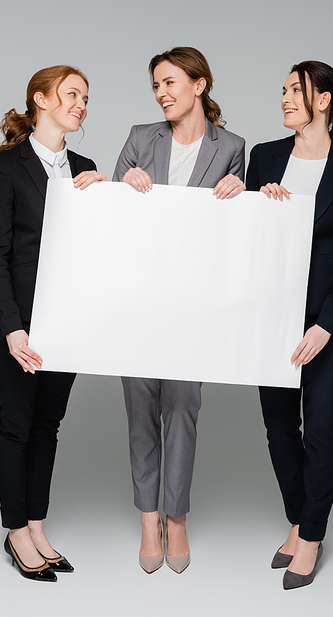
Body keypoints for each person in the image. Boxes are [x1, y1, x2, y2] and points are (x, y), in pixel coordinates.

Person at [113, 46, 246, 573]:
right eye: (156, 86)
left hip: (194, 302)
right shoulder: (140, 138)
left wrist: (243, 190)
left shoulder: (232, 146)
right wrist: (123, 185)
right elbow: (108, 219)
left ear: (200, 84)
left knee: (182, 410)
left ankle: (177, 518)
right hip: (139, 298)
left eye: (170, 82)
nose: (162, 93)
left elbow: (234, 233)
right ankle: (148, 516)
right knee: (140, 408)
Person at [246, 60, 333, 590]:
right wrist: (261, 207)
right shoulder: (265, 157)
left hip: (326, 324)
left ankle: (312, 537)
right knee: (280, 429)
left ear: (322, 100)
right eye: (281, 91)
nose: (282, 100)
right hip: (270, 318)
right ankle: (298, 519)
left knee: (320, 429)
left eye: (292, 91)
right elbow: (246, 238)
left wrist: (326, 325)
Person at [0, 65, 105, 581]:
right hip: (23, 325)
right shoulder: (5, 167)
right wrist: (11, 327)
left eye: (85, 97)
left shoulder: (86, 166)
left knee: (47, 428)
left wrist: (107, 198)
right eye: (72, 94)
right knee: (16, 425)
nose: (81, 104)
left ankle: (36, 523)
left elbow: (99, 250)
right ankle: (16, 532)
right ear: (41, 99)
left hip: (68, 325)